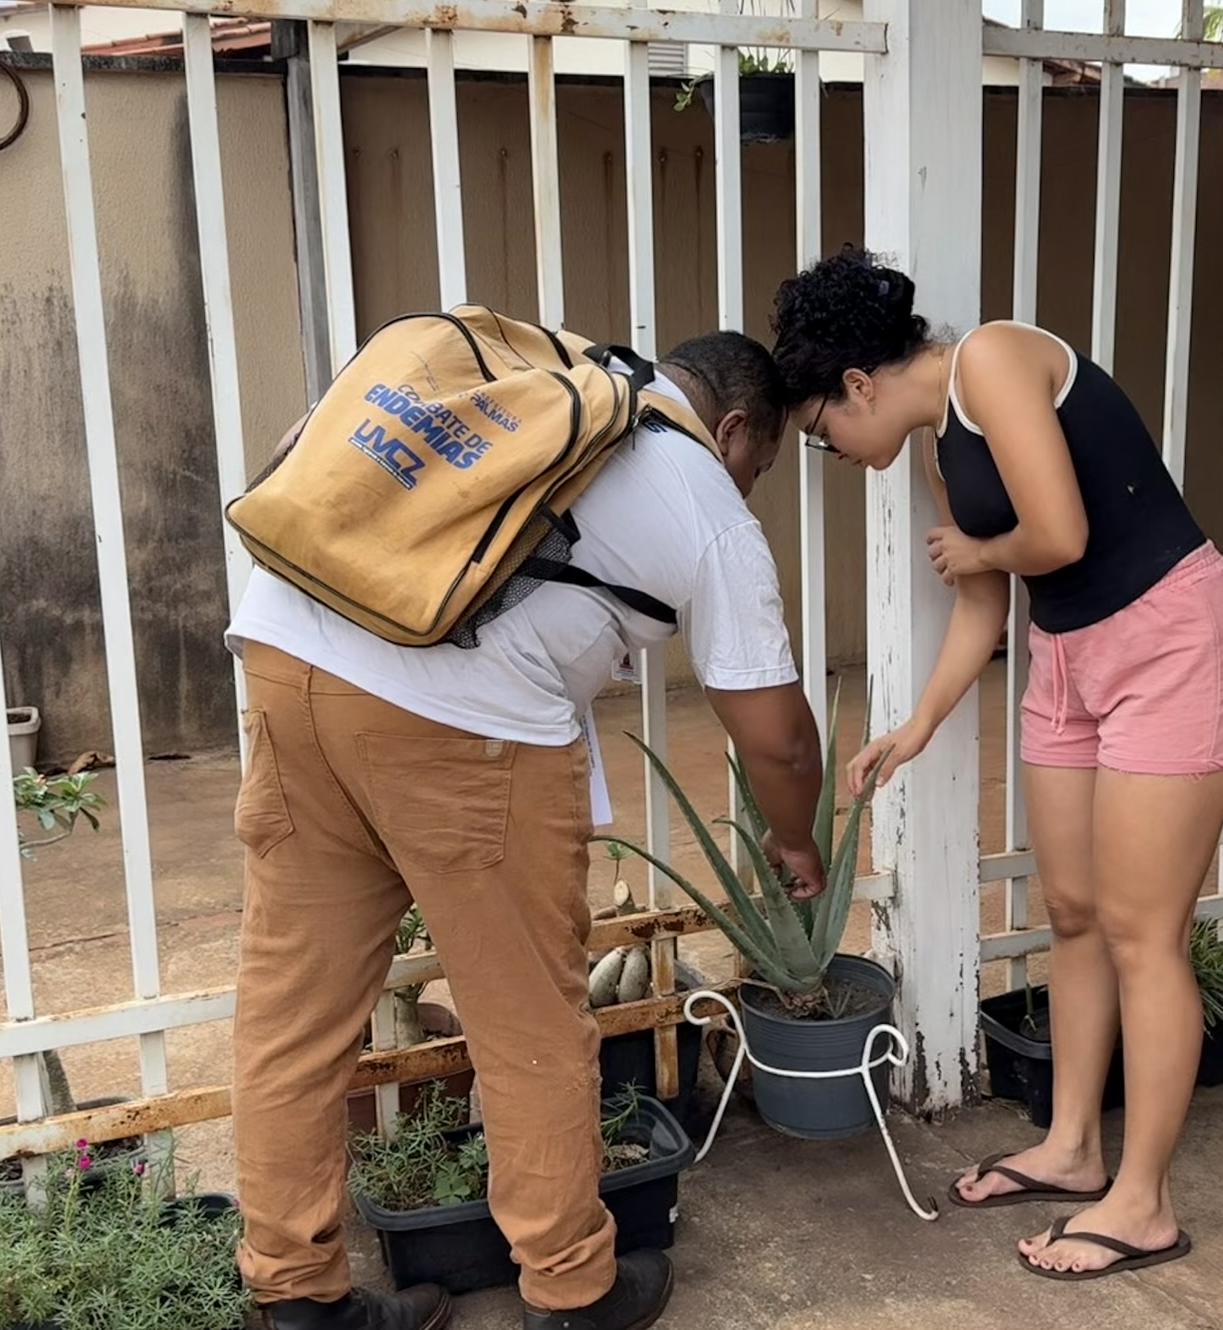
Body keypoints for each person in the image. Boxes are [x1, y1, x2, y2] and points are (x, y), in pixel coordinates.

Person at [224, 329, 826, 1330]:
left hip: (287, 658)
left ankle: (295, 1298)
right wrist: (795, 838)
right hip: (466, 728)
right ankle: (572, 1286)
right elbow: (779, 738)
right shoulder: (700, 490)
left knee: (291, 1013)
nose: (751, 484)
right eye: (759, 465)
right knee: (531, 1025)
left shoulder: (529, 390)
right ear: (731, 429)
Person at [770, 249, 1223, 1282]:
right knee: (1076, 911)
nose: (835, 450)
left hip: (1174, 643)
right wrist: (914, 727)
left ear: (859, 383)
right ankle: (1077, 1145)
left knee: (1144, 931)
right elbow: (983, 604)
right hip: (1071, 659)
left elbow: (1057, 532)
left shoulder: (992, 362)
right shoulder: (936, 453)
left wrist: (982, 551)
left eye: (824, 431)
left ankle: (1146, 1200)